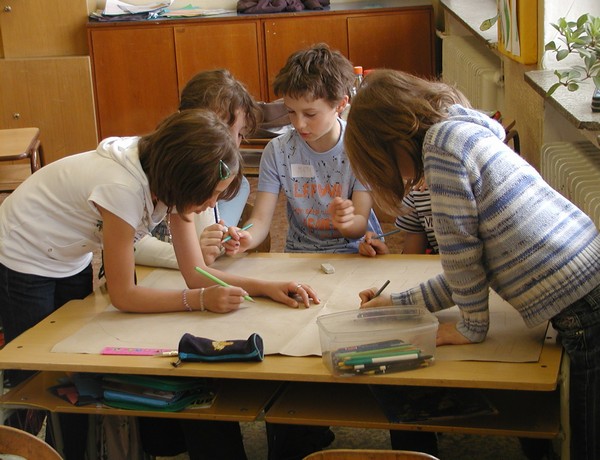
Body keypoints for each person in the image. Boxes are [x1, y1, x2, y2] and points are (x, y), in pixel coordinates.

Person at [0, 109, 319, 459]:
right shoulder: (122, 188)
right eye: (211, 194)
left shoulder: (169, 176)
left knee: (72, 374)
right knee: (35, 378)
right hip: (21, 250)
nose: (212, 204)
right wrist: (200, 300)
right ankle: (19, 446)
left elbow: (195, 272)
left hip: (66, 253)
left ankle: (67, 450)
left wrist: (265, 286)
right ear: (184, 181)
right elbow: (124, 295)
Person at [344, 69, 600, 460]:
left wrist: (471, 326)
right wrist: (397, 303)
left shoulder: (440, 151)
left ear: (392, 141)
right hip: (585, 277)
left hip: (581, 305)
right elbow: (466, 273)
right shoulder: (459, 131)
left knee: (585, 439)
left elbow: (460, 254)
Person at [224, 42, 381, 256]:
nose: (299, 124)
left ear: (340, 105)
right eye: (291, 112)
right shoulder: (278, 151)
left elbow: (359, 225)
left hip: (354, 253)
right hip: (299, 253)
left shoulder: (360, 147)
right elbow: (260, 219)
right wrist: (246, 238)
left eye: (310, 114)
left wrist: (347, 222)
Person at [134, 69, 258, 269]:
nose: (231, 144)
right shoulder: (146, 167)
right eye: (218, 128)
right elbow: (126, 245)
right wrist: (192, 255)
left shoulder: (231, 183)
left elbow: (209, 248)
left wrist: (221, 240)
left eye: (240, 134)